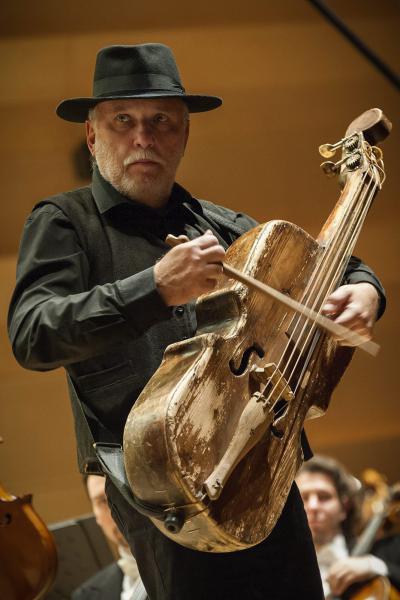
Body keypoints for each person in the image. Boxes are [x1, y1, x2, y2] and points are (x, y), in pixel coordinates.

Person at [8, 43, 385, 599]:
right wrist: (154, 288)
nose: (144, 137)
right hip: (160, 483)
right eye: (123, 121)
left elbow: (329, 264)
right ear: (92, 137)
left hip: (266, 461)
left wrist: (366, 290)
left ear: (183, 136)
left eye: (162, 121)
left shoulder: (220, 224)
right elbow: (33, 333)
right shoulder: (65, 222)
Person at [296, 455, 400, 598]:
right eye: (303, 498)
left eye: (324, 497)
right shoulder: (278, 567)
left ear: (344, 508)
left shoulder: (384, 551)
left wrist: (375, 566)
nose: (313, 506)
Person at [72, 474, 148, 600]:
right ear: (96, 516)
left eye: (122, 494)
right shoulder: (84, 596)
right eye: (102, 501)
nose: (117, 511)